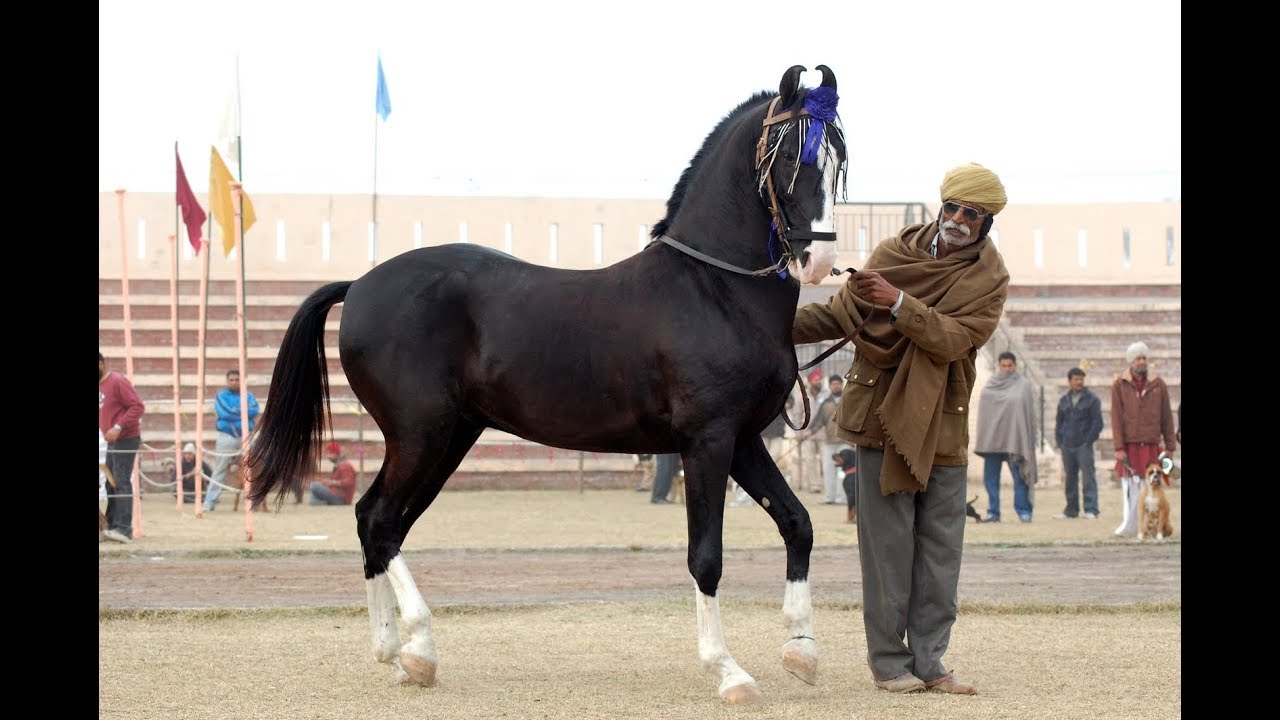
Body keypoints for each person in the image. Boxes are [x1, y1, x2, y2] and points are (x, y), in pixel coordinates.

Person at [792, 162, 1009, 695]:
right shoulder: (894, 254)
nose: (958, 219)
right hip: (878, 421)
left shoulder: (988, 280)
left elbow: (955, 339)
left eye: (972, 214)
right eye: (953, 208)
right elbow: (840, 315)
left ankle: (931, 663)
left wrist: (898, 302)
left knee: (940, 554)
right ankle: (890, 664)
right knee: (886, 551)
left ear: (986, 222)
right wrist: (761, 321)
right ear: (942, 206)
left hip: (944, 430)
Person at [1110, 341, 1177, 537]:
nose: (1142, 362)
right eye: (1138, 358)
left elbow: (1166, 417)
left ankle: (1155, 527)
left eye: (1144, 358)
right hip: (1130, 446)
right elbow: (1116, 418)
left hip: (1151, 445)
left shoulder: (1159, 384)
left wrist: (1170, 447)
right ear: (1131, 362)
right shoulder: (1119, 385)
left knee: (1153, 486)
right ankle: (1130, 526)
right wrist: (1119, 447)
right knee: (1130, 488)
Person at [973, 351, 1039, 523]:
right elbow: (986, 412)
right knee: (991, 480)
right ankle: (993, 512)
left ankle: (1024, 511)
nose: (1007, 369)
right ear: (998, 365)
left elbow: (1027, 415)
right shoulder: (990, 384)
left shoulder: (1023, 385)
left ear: (1015, 365)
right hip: (993, 441)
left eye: (1010, 366)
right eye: (1003, 365)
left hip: (1014, 441)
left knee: (1019, 478)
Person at [99, 351, 146, 544]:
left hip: (126, 438)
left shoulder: (117, 381)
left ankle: (124, 529)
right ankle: (110, 525)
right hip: (112, 441)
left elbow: (137, 406)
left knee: (121, 480)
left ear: (101, 364)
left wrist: (118, 426)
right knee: (111, 482)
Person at [203, 369, 260, 512]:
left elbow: (254, 411)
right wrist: (242, 412)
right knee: (219, 470)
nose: (234, 382)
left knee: (251, 468)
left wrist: (236, 411)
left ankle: (252, 502)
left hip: (246, 436)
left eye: (237, 379)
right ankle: (210, 502)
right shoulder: (221, 396)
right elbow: (224, 413)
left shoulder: (249, 396)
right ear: (227, 381)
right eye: (232, 380)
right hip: (227, 436)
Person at [1052, 367, 1104, 519]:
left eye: (1081, 379)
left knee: (1088, 478)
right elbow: (1059, 422)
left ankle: (1091, 509)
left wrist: (1088, 441)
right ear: (1069, 381)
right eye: (1076, 379)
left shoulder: (1092, 400)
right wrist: (1060, 441)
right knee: (1070, 479)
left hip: (1084, 446)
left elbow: (1097, 423)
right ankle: (1071, 510)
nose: (1079, 382)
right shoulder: (1064, 400)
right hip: (1067, 445)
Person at [309, 441, 358, 505]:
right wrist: (327, 482)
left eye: (329, 453)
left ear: (335, 454)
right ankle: (318, 502)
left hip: (341, 498)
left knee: (313, 485)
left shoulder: (345, 465)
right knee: (314, 494)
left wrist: (332, 482)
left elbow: (349, 482)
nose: (328, 456)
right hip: (337, 495)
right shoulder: (339, 465)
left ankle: (319, 502)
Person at [833, 447, 858, 523]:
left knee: (852, 497)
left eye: (841, 455)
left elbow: (851, 499)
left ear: (848, 458)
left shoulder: (851, 478)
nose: (837, 457)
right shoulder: (855, 475)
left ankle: (850, 518)